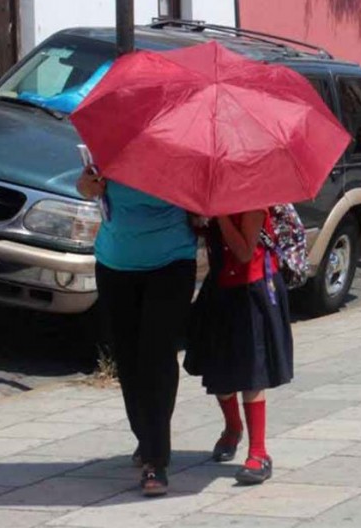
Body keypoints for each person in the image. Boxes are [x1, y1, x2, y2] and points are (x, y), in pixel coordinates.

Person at [76, 171, 197, 496]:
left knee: (156, 355)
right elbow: (84, 186)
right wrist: (89, 186)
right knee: (127, 359)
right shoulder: (114, 147)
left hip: (171, 263)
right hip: (116, 264)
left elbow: (203, 203)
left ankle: (156, 458)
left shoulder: (184, 151)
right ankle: (147, 437)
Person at [187, 210, 293, 485]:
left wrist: (220, 217)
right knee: (218, 370)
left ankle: (259, 453)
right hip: (221, 286)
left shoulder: (253, 199)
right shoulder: (211, 195)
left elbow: (245, 251)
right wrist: (199, 221)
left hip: (252, 287)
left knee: (252, 372)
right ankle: (233, 428)